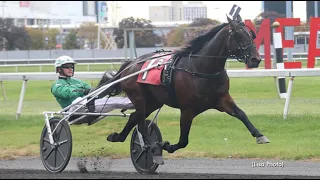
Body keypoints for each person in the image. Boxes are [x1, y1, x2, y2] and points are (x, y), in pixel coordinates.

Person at [51, 55, 134, 124]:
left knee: (112, 100)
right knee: (79, 100)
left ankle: (136, 103)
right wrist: (83, 91)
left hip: (87, 104)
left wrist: (101, 89)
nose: (70, 68)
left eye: (72, 66)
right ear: (59, 69)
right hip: (72, 110)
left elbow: (91, 89)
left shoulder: (77, 81)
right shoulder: (57, 85)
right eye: (67, 66)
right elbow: (67, 93)